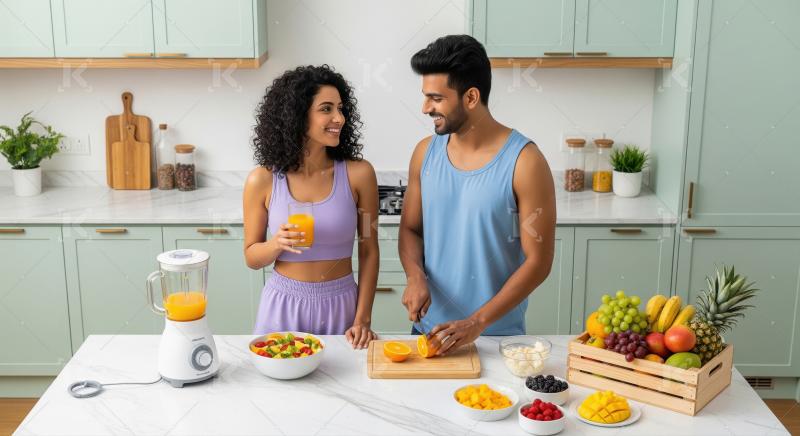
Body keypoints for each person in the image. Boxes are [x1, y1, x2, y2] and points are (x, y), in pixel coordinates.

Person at [400, 35, 556, 355]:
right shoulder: (424, 153)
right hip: (429, 330)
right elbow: (411, 229)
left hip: (495, 338)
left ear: (471, 97)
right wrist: (415, 276)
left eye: (436, 98)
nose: (425, 108)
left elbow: (538, 261)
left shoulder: (525, 162)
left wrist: (477, 322)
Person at [244, 65, 379, 349]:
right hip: (282, 305)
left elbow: (369, 248)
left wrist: (363, 319)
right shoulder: (263, 180)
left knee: (346, 392)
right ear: (296, 115)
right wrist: (276, 244)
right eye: (326, 109)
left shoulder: (359, 174)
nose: (338, 118)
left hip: (342, 305)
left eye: (341, 109)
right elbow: (252, 258)